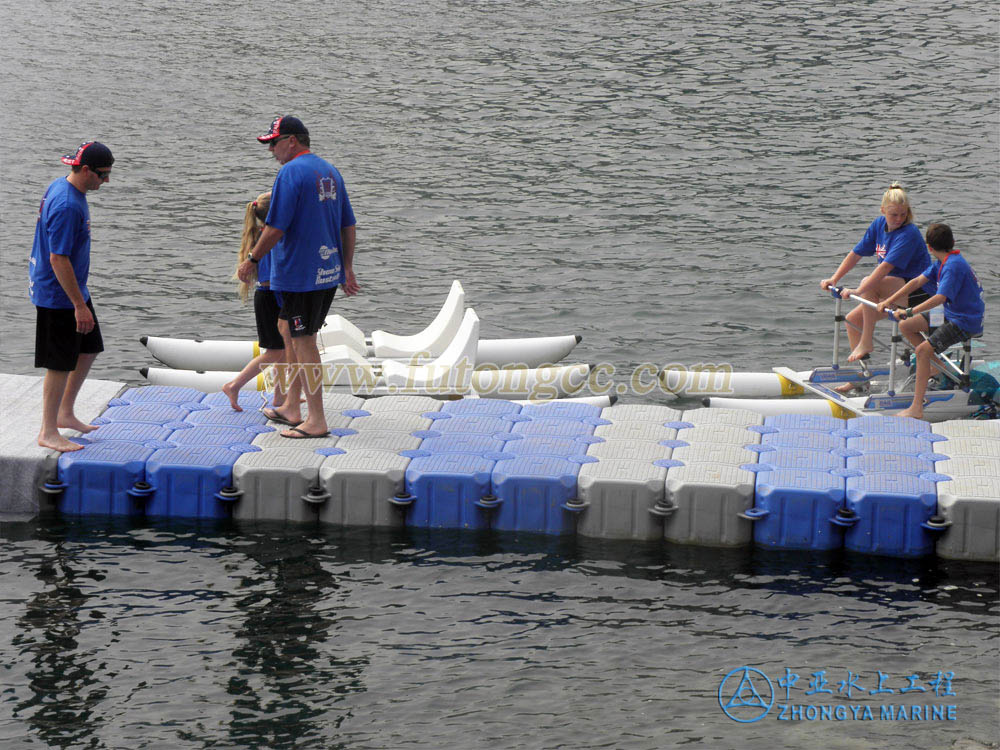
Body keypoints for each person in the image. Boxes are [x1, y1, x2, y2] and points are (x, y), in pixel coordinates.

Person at [237, 116, 360, 438]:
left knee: (304, 342)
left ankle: (316, 419)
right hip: (327, 271)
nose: (271, 151)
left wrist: (252, 259)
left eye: (273, 143)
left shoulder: (290, 172)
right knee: (286, 330)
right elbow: (348, 224)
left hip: (300, 275)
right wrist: (347, 267)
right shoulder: (330, 171)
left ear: (292, 140)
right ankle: (292, 406)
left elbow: (276, 227)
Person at [29, 141, 114, 452]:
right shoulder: (67, 205)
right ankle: (48, 431)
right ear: (86, 170)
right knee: (60, 362)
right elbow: (58, 259)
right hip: (59, 294)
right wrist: (78, 305)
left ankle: (65, 412)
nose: (107, 181)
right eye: (103, 175)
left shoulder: (66, 188)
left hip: (75, 288)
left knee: (89, 347)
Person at [876, 223, 985, 420]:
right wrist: (889, 301)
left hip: (965, 320)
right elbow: (916, 282)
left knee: (922, 350)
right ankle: (935, 366)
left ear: (929, 247)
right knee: (906, 325)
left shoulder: (952, 266)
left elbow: (939, 298)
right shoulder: (942, 262)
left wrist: (909, 310)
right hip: (953, 313)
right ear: (952, 242)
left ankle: (916, 407)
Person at [820, 183, 932, 365]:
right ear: (883, 211)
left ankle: (866, 342)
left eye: (903, 214)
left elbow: (885, 268)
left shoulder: (909, 233)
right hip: (894, 289)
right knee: (852, 320)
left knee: (868, 282)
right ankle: (863, 375)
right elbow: (856, 253)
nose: (899, 219)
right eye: (894, 215)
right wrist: (834, 278)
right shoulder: (879, 225)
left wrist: (858, 290)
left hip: (919, 292)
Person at [220, 191, 297, 420]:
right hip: (272, 297)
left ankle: (280, 397)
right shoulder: (271, 238)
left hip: (270, 296)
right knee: (275, 352)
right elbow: (275, 275)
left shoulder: (264, 234)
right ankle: (234, 385)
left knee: (283, 353)